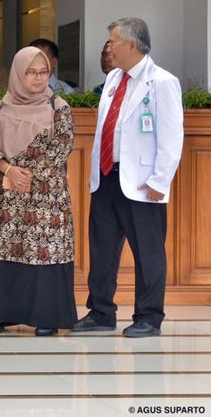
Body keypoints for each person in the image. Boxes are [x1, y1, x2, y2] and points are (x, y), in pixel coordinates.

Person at [73, 17, 184, 338]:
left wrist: (160, 181)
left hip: (142, 183)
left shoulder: (162, 82)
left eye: (113, 42)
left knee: (148, 252)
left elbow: (171, 137)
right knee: (102, 250)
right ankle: (101, 311)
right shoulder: (112, 80)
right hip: (107, 177)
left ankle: (149, 316)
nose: (109, 48)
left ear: (132, 45)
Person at [0, 46, 77, 336]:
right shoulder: (1, 108)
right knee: (10, 250)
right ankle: (7, 313)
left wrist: (28, 175)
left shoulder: (58, 107)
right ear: (18, 74)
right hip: (10, 194)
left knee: (44, 253)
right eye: (30, 72)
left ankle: (47, 316)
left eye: (43, 72)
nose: (37, 78)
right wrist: (8, 170)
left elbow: (62, 146)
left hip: (47, 196)